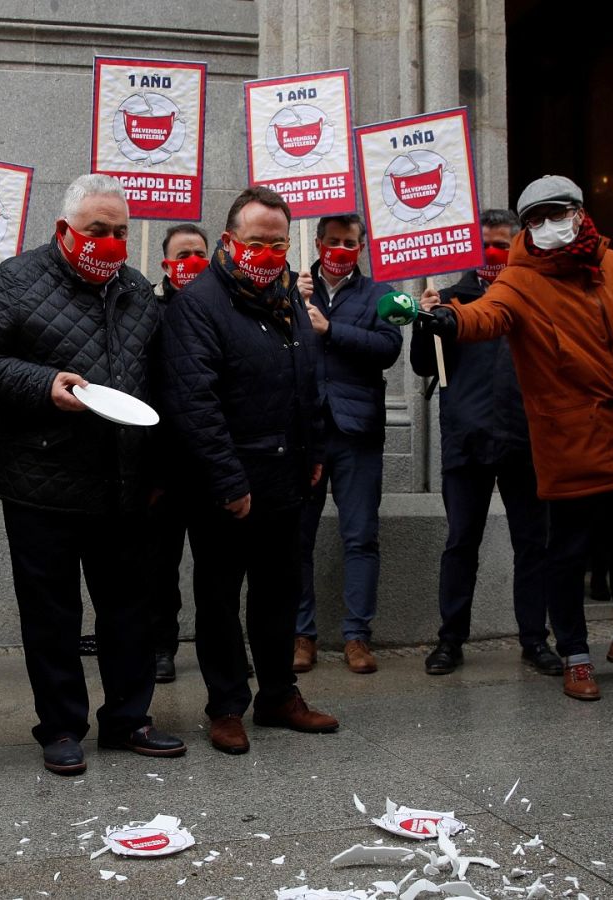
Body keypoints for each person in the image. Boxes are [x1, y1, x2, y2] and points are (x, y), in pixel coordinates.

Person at [0, 173, 184, 776]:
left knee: (129, 610)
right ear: (64, 230)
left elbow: (158, 383)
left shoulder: (136, 290)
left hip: (125, 485)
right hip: (41, 483)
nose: (109, 243)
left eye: (120, 233)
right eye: (96, 231)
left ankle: (129, 718)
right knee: (52, 614)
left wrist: (159, 468)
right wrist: (42, 384)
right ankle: (60, 727)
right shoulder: (14, 279)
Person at [419, 175, 613, 701]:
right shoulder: (519, 278)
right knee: (565, 552)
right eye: (534, 219)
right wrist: (446, 318)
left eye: (554, 213)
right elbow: (486, 315)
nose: (545, 226)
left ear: (580, 213)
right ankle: (576, 654)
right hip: (566, 439)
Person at [157, 186, 339, 754]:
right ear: (231, 240)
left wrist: (314, 453)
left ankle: (280, 695)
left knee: (279, 593)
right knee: (219, 598)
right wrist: (229, 482)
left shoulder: (286, 295)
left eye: (279, 242)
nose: (268, 251)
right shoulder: (199, 304)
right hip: (224, 486)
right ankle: (226, 704)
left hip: (286, 476)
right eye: (257, 241)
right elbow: (195, 403)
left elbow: (306, 381)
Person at [412, 209, 558, 678]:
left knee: (532, 544)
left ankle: (535, 639)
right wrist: (424, 317)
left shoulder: (537, 298)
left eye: (503, 243)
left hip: (525, 439)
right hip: (466, 439)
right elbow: (423, 366)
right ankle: (450, 640)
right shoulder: (451, 298)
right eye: (486, 243)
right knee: (461, 543)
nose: (494, 252)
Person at [291, 213, 402, 675]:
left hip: (357, 432)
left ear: (361, 246)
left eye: (349, 242)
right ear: (316, 244)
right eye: (332, 241)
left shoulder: (378, 294)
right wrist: (290, 308)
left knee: (361, 537)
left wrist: (330, 329)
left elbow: (388, 348)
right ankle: (302, 633)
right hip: (304, 432)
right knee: (298, 538)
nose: (340, 249)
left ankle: (357, 636)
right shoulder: (293, 289)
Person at [148, 223, 210, 684]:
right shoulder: (147, 312)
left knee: (217, 569)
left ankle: (220, 648)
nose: (192, 261)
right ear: (166, 263)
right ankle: (161, 647)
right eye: (183, 254)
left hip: (211, 461)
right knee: (160, 566)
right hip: (164, 463)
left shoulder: (225, 307)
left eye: (199, 253)